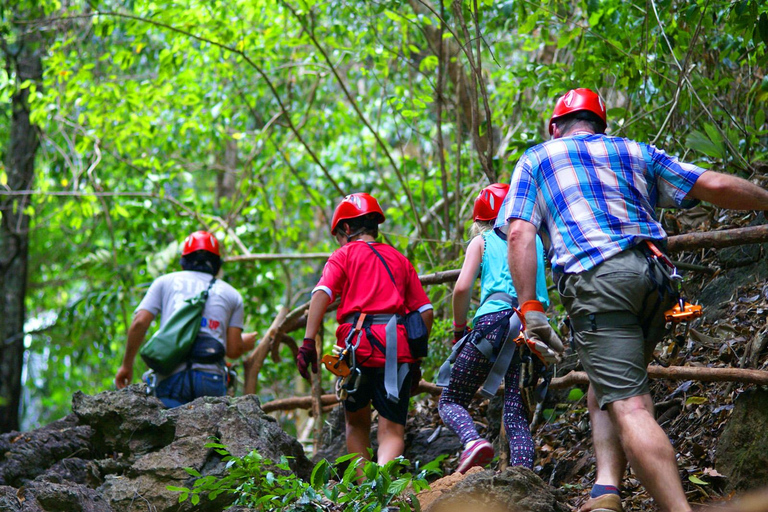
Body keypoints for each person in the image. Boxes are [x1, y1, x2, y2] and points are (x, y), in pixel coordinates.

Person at [500, 88, 768, 512]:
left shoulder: (538, 158)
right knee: (611, 382)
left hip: (599, 279)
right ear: (600, 126)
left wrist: (531, 307)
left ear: (555, 127)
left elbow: (519, 232)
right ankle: (607, 489)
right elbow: (712, 183)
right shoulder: (635, 151)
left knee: (630, 405)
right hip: (655, 280)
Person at [297, 193, 434, 464]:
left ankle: (364, 496)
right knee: (392, 429)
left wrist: (308, 342)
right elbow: (425, 312)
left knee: (356, 424)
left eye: (338, 234)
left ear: (346, 228)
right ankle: (383, 488)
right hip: (397, 348)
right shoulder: (399, 259)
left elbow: (322, 292)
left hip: (356, 348)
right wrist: (415, 358)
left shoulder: (343, 255)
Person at [438, 184, 554, 473]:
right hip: (534, 330)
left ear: (482, 220)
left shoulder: (483, 241)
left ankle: (472, 441)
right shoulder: (536, 242)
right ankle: (523, 477)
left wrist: (458, 328)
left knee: (451, 400)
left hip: (495, 323)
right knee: (516, 415)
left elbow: (462, 287)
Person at [115, 231, 257, 407]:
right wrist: (245, 343)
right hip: (210, 377)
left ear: (184, 261)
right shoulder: (232, 294)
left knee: (171, 430)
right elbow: (233, 350)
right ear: (217, 264)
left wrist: (126, 366)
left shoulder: (164, 282)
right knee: (208, 432)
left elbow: (139, 323)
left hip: (171, 375)